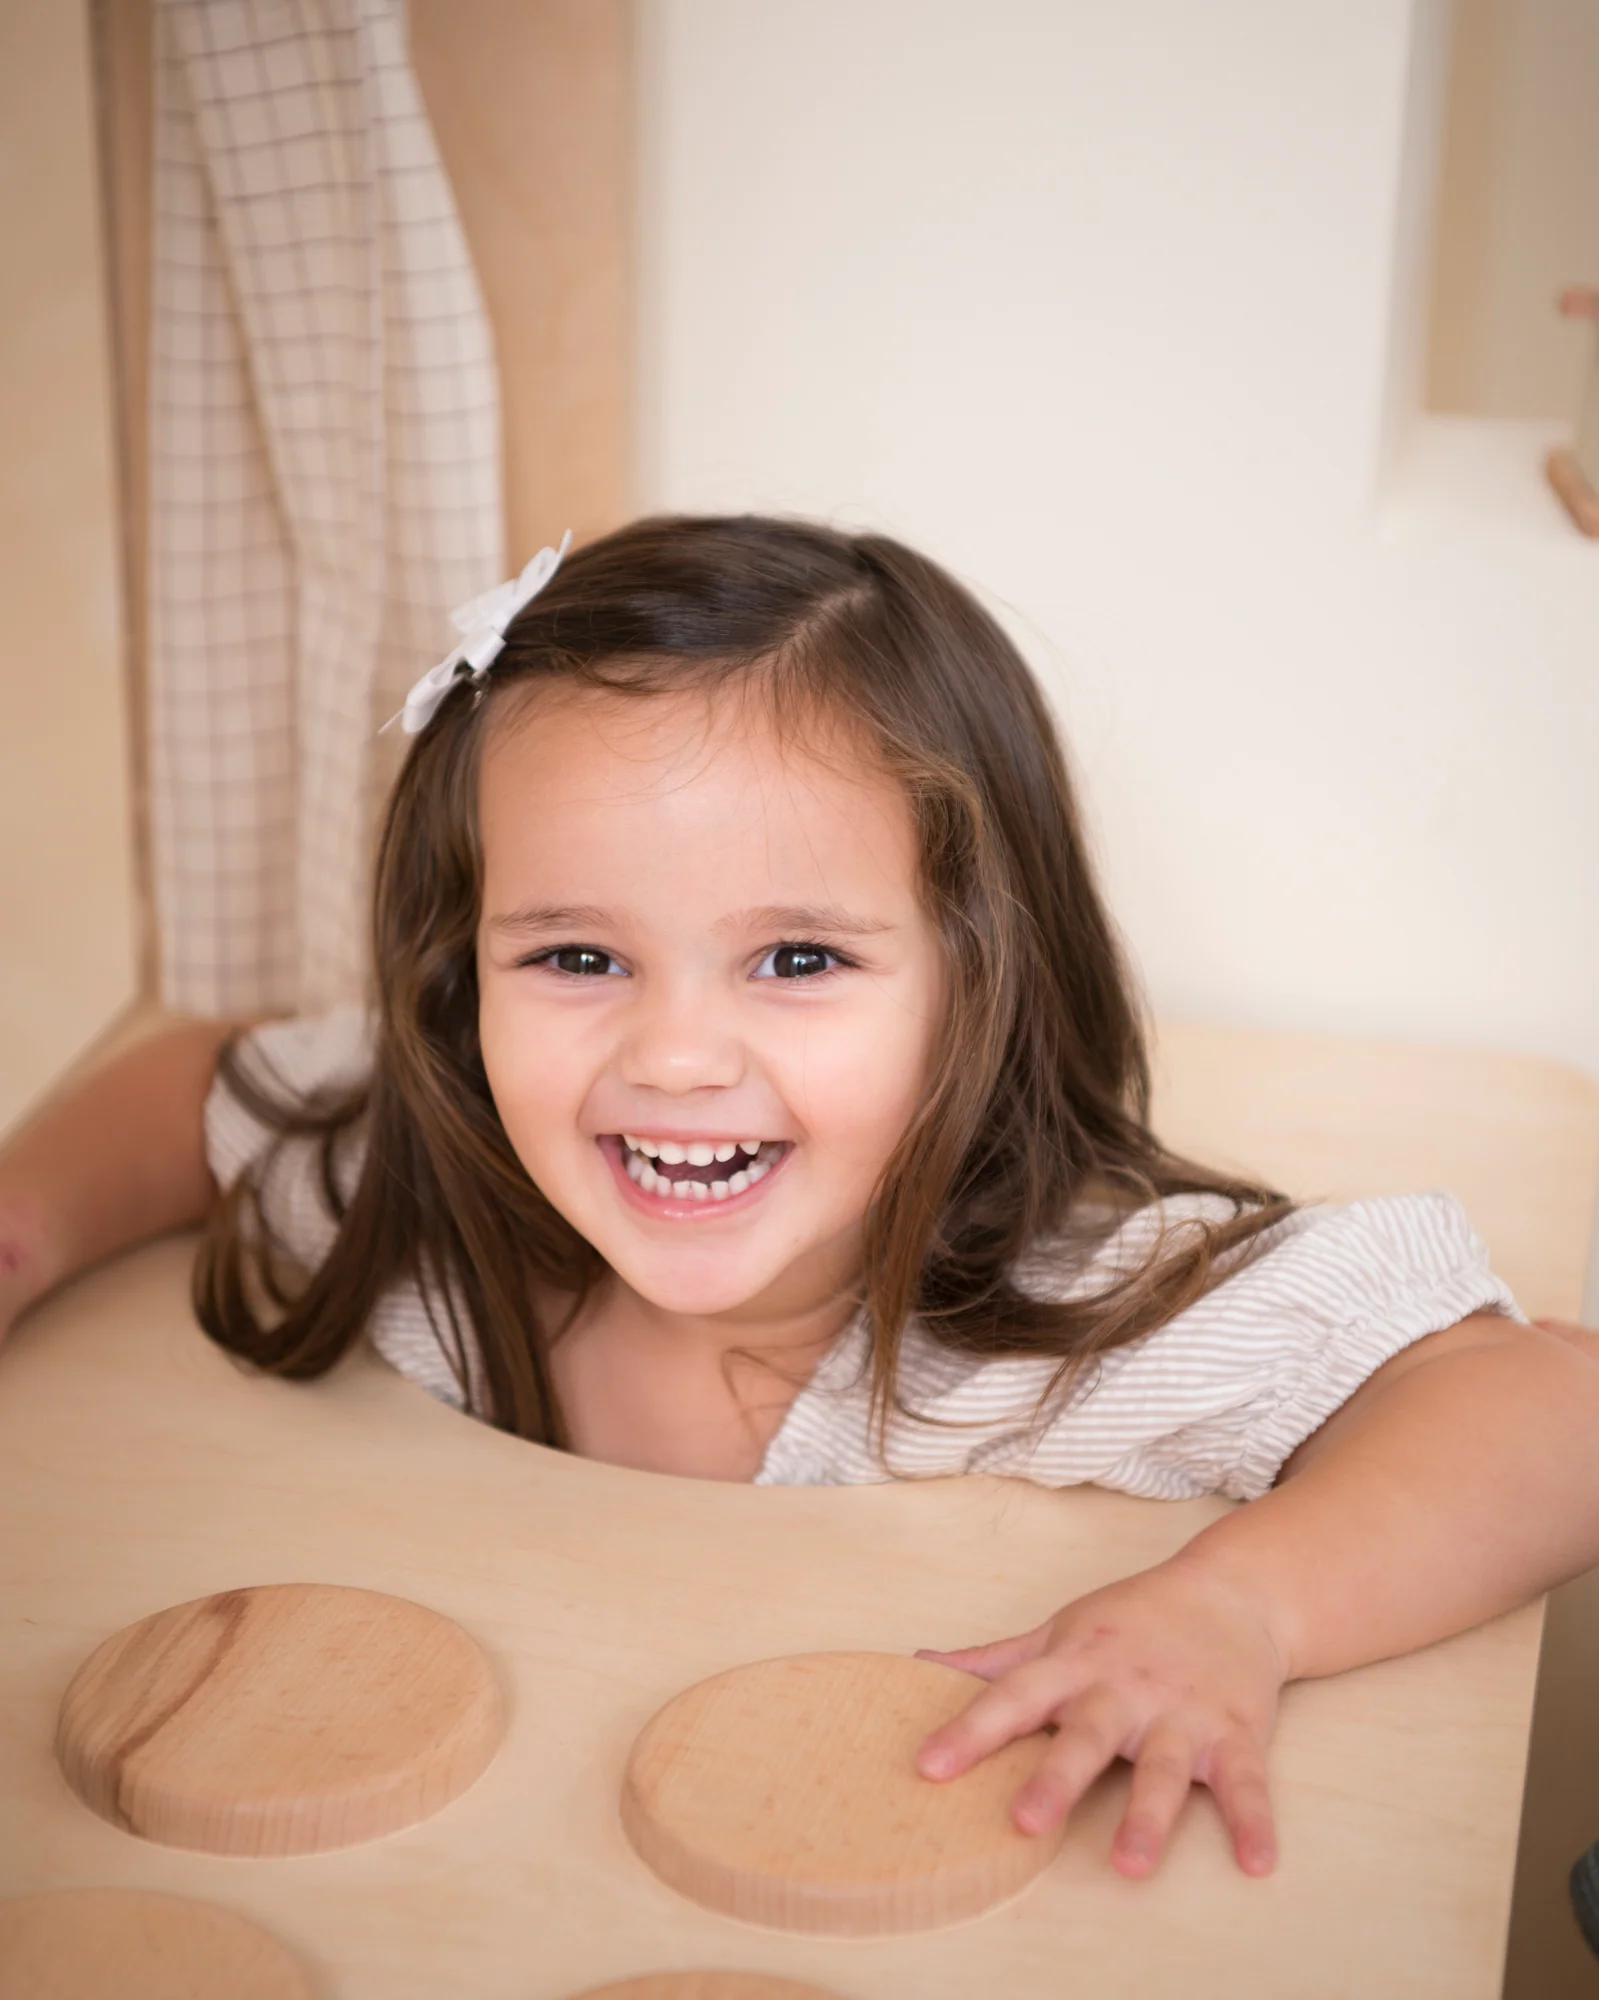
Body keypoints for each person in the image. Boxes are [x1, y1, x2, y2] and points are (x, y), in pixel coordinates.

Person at [4, 514, 1599, 1886]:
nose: (676, 1055)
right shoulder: (419, 1211)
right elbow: (207, 1085)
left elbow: (1547, 1407)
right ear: (455, 978)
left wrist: (1239, 1611)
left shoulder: (1061, 1317)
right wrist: (29, 1227)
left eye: (797, 959)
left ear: (978, 976)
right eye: (574, 957)